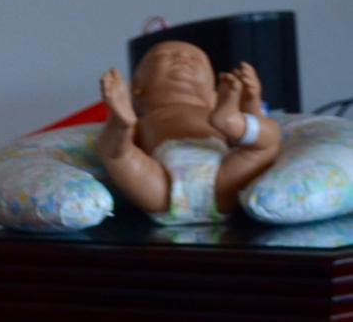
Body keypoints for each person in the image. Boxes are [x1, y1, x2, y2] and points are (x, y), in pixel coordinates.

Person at [97, 41, 282, 224]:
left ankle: (234, 122)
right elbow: (125, 150)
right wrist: (123, 133)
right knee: (117, 154)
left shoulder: (212, 111)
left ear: (213, 95)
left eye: (196, 59)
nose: (182, 58)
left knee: (270, 138)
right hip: (159, 183)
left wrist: (251, 99)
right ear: (136, 88)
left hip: (223, 178)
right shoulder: (144, 120)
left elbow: (250, 141)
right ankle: (120, 123)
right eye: (164, 56)